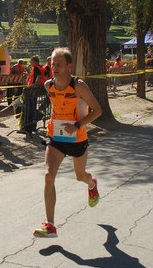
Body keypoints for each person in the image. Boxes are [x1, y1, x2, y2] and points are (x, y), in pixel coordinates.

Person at [33, 47, 102, 238]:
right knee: (48, 176)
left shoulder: (78, 86)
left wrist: (79, 124)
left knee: (80, 176)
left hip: (77, 138)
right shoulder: (48, 86)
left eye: (59, 64)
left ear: (69, 66)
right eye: (52, 64)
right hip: (56, 137)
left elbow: (97, 110)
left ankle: (91, 183)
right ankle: (51, 225)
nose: (54, 67)